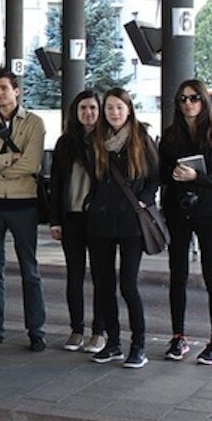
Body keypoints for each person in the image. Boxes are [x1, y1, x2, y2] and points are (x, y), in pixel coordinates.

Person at [0, 69, 47, 351]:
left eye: (4, 88)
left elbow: (32, 165)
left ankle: (36, 331)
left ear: (16, 91)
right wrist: (11, 157)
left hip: (23, 204)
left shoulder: (34, 123)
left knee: (30, 270)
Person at [160, 80, 212, 365]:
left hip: (210, 213)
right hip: (179, 212)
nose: (188, 103)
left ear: (203, 101)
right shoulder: (171, 135)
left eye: (194, 98)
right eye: (182, 99)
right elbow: (162, 173)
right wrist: (174, 173)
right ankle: (178, 337)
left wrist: (197, 177)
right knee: (177, 275)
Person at [86, 88, 158, 369]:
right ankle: (113, 343)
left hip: (130, 222)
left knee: (128, 285)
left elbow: (155, 177)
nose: (114, 113)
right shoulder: (96, 139)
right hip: (101, 221)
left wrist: (143, 199)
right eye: (110, 108)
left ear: (129, 109)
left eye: (119, 107)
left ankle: (138, 345)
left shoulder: (141, 137)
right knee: (104, 285)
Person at [49, 90, 105, 353]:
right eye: (83, 108)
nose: (88, 113)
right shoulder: (65, 143)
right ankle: (76, 329)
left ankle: (99, 332)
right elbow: (57, 184)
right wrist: (55, 220)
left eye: (93, 108)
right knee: (74, 275)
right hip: (71, 217)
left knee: (100, 276)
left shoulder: (107, 140)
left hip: (99, 218)